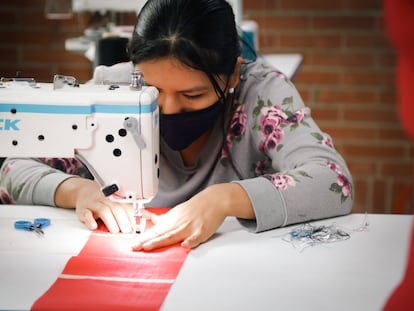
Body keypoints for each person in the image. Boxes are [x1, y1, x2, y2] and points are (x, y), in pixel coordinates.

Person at [0, 0, 353, 251]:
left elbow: (331, 180)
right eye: (153, 91)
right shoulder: (116, 87)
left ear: (231, 73)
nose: (168, 107)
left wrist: (225, 199)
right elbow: (14, 167)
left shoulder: (260, 94)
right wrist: (77, 191)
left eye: (193, 94)